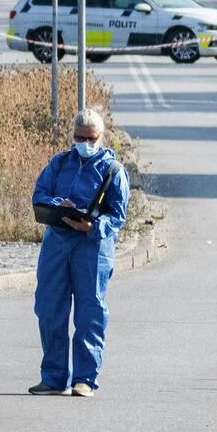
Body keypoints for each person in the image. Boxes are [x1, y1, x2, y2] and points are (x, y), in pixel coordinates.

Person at [30, 110, 130, 397]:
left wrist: (92, 225)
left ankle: (85, 379)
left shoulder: (113, 170)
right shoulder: (60, 163)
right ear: (72, 136)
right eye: (79, 137)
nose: (85, 143)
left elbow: (117, 215)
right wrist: (57, 204)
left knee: (90, 313)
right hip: (57, 243)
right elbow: (39, 195)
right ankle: (53, 377)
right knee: (49, 309)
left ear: (101, 138)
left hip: (92, 248)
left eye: (91, 138)